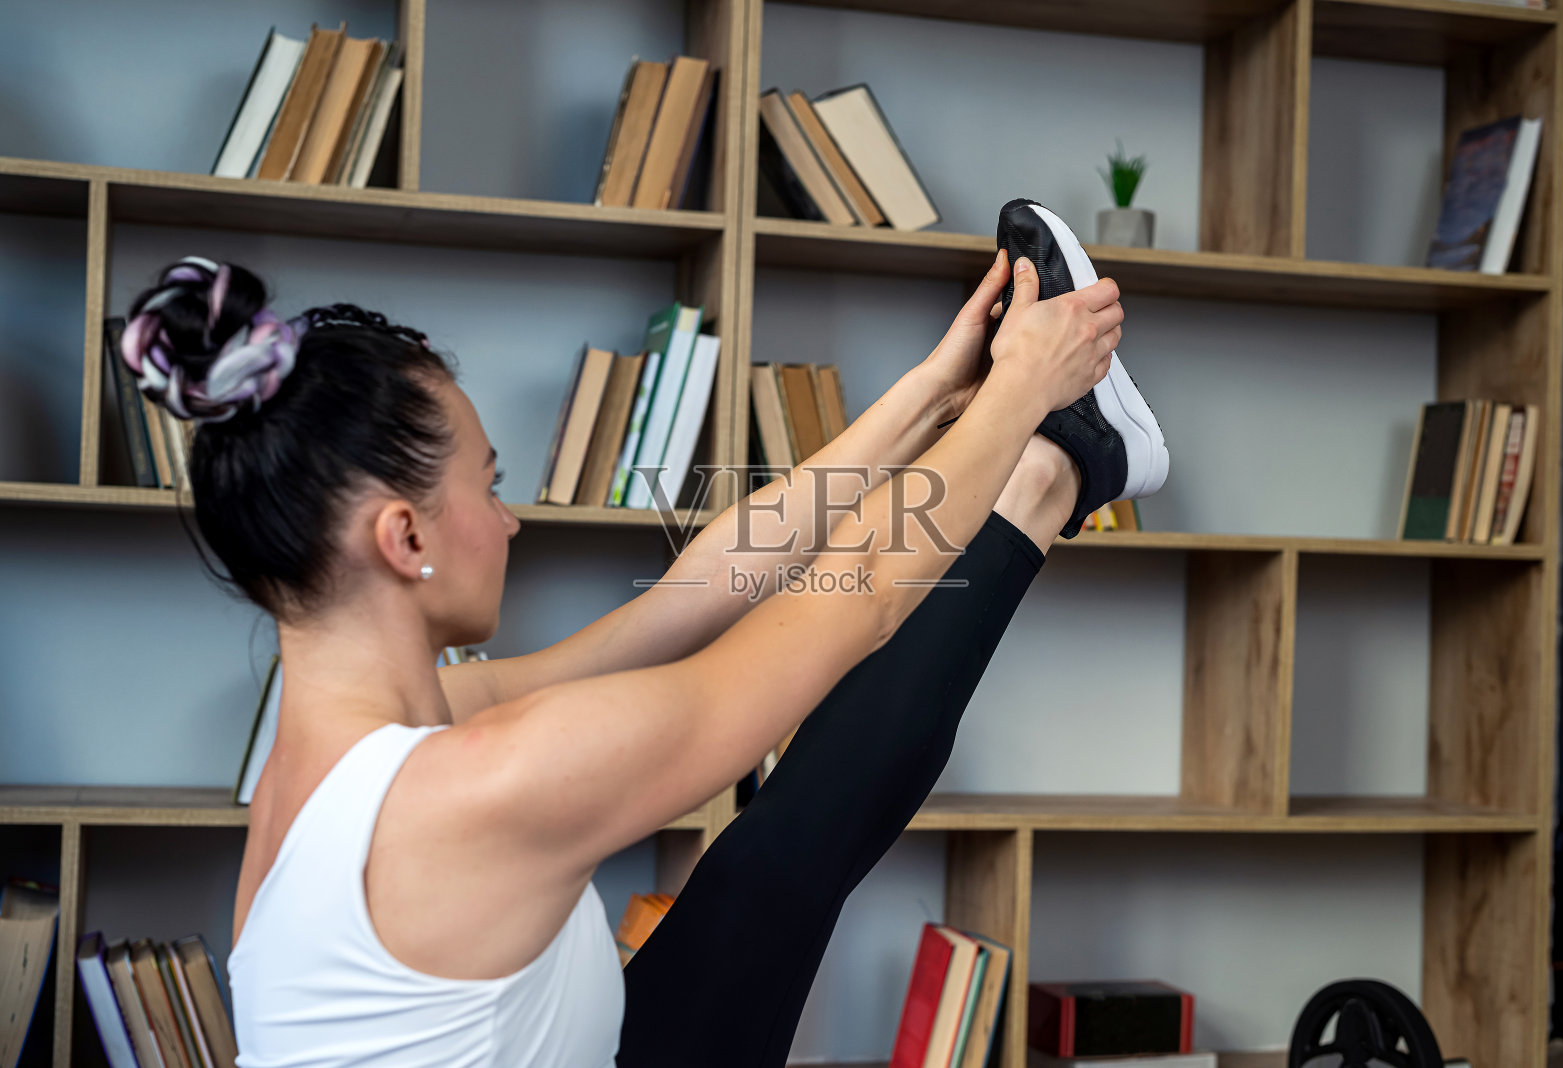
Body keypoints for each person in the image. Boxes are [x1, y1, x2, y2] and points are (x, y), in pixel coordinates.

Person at [116, 199, 1163, 1068]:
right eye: (490, 484)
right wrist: (1024, 385)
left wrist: (934, 392)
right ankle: (1050, 469)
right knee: (776, 860)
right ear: (404, 537)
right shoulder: (468, 788)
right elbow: (851, 605)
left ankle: (1048, 470)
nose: (510, 518)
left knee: (762, 874)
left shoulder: (323, 771)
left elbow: (687, 599)